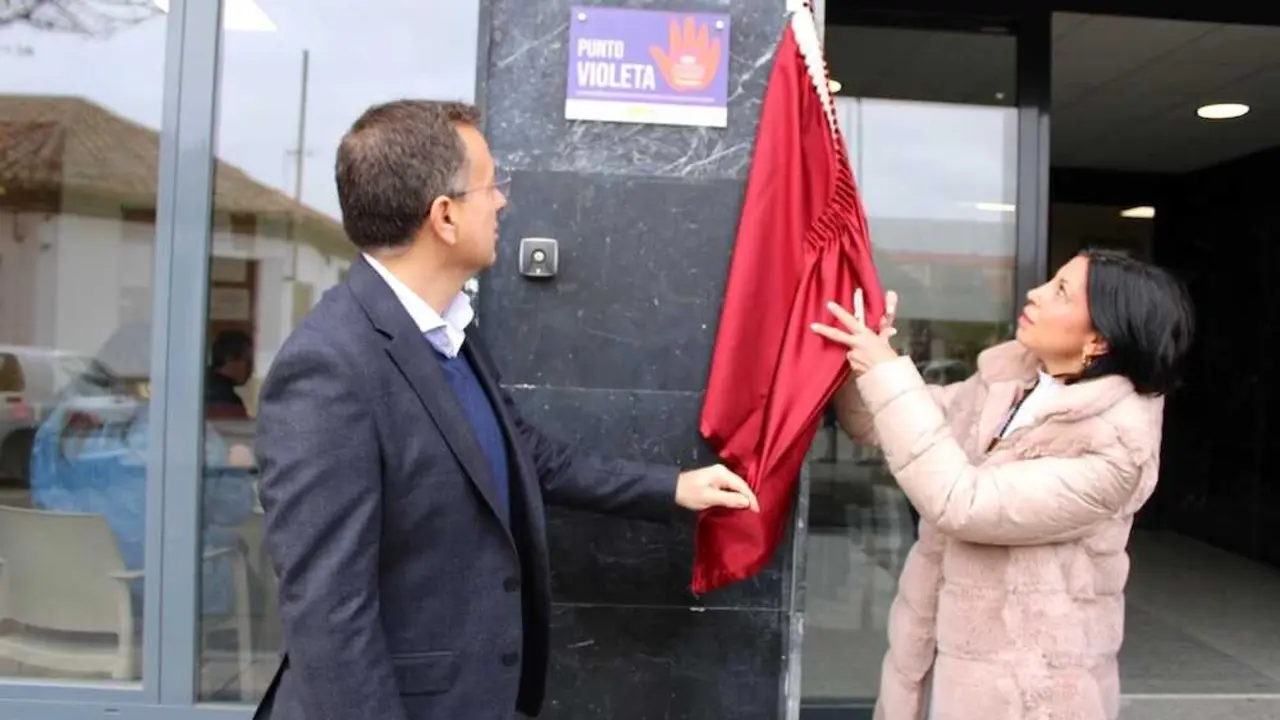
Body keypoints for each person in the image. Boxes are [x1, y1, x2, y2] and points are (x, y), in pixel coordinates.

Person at [251, 99, 759, 720]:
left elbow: (525, 454)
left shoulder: (447, 332)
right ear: (443, 216)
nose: (501, 202)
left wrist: (670, 487)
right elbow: (328, 613)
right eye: (490, 186)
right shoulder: (329, 369)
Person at [810, 249, 1194, 720]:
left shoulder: (1115, 452)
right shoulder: (1012, 384)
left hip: (1026, 696)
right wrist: (864, 357)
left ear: (1098, 341)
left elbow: (960, 501)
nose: (1034, 293)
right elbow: (880, 423)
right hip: (937, 667)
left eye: (1060, 291)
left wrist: (887, 372)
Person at [205, 329, 253, 420]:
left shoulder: (203, 386)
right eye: (247, 361)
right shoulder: (226, 400)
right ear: (230, 359)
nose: (250, 368)